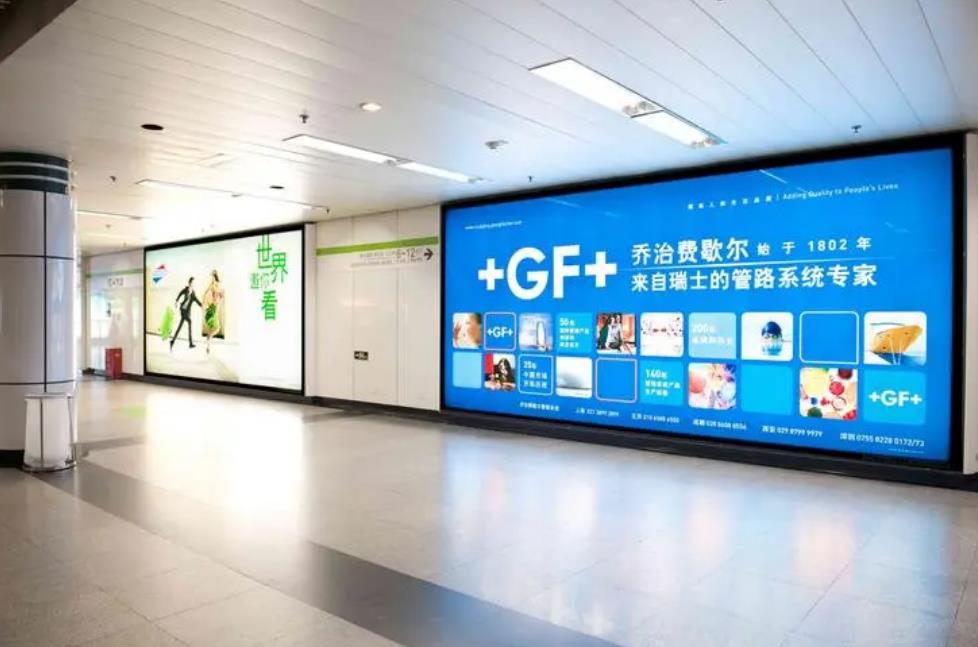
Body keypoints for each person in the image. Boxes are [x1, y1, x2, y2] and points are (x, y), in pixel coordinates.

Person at [170, 277, 201, 351]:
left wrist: (202, 306)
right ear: (189, 282)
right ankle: (190, 343)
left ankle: (173, 341)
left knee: (180, 326)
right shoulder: (186, 289)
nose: (192, 284)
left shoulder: (193, 293)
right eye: (191, 282)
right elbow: (180, 293)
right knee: (190, 322)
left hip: (187, 311)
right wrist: (176, 301)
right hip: (183, 310)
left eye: (193, 283)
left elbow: (196, 300)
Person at [201, 270, 225, 354]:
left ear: (215, 276)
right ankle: (208, 342)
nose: (212, 278)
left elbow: (220, 294)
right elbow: (207, 292)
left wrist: (220, 295)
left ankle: (208, 343)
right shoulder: (213, 285)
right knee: (215, 327)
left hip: (215, 305)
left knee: (214, 328)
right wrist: (204, 301)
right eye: (211, 277)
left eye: (213, 276)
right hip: (213, 306)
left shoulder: (216, 284)